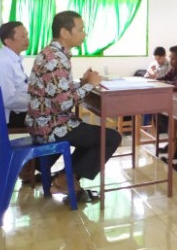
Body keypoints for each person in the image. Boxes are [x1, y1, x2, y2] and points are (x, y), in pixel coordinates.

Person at [25, 10, 122, 197]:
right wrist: (91, 85)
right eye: (81, 29)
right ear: (65, 32)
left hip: (45, 122)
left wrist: (83, 84)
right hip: (51, 127)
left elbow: (58, 91)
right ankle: (65, 179)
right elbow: (63, 103)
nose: (84, 34)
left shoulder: (53, 53)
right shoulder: (55, 59)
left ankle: (66, 175)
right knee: (111, 137)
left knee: (88, 131)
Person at [0, 21, 30, 128]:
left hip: (18, 110)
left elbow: (23, 84)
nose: (27, 39)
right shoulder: (2, 63)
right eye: (23, 36)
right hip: (8, 118)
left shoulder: (13, 60)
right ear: (8, 41)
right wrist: (36, 103)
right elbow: (8, 99)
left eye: (27, 35)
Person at [156, 45, 177, 173]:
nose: (171, 60)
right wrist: (154, 81)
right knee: (158, 115)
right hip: (176, 102)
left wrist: (165, 84)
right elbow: (166, 79)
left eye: (173, 58)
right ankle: (176, 146)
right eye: (170, 57)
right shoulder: (174, 69)